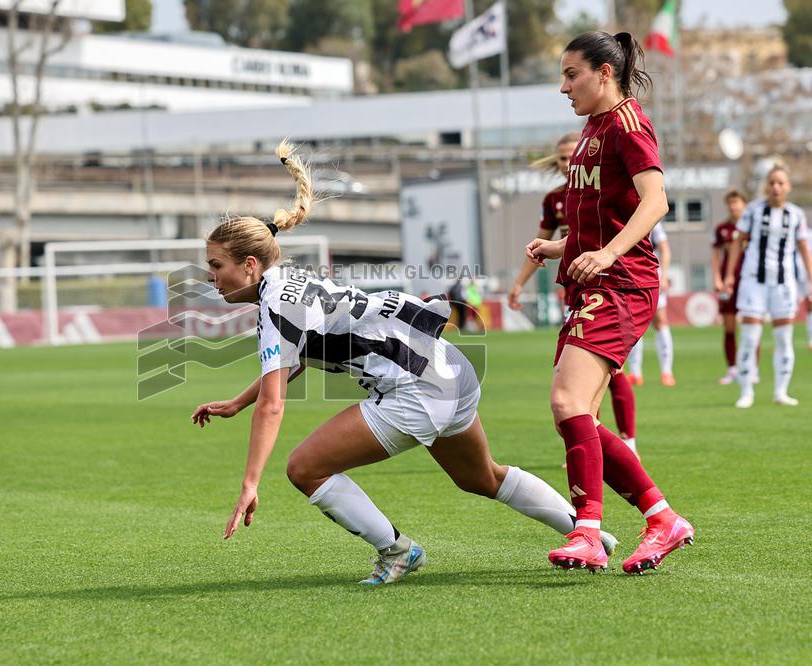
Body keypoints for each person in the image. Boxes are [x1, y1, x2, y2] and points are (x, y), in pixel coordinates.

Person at [192, 139, 617, 586]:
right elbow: (293, 363)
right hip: (450, 369)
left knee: (305, 469)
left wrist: (249, 484)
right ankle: (588, 533)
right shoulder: (290, 283)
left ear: (251, 264)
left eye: (216, 265)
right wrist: (239, 402)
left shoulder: (276, 305)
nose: (210, 276)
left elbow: (275, 404)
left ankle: (397, 551)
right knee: (483, 477)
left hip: (416, 389)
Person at [525, 31, 693, 574]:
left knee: (567, 403)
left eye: (571, 74)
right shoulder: (594, 128)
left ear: (604, 73)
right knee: (578, 415)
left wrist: (608, 254)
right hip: (596, 281)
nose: (562, 86)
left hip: (621, 284)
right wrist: (562, 247)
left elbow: (656, 200)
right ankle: (661, 518)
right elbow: (599, 219)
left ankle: (589, 532)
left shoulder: (628, 124)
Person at [509, 132, 638, 454]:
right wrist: (518, 283)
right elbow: (540, 245)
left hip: (610, 286)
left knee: (612, 371)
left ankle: (627, 443)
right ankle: (591, 445)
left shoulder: (602, 189)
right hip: (574, 289)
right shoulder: (554, 199)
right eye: (563, 159)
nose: (568, 164)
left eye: (572, 157)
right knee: (572, 381)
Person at [724, 165, 812, 407]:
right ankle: (746, 392)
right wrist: (731, 275)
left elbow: (804, 250)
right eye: (772, 182)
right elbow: (737, 243)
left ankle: (781, 392)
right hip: (754, 281)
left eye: (781, 183)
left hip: (784, 283)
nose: (776, 187)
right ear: (766, 185)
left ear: (788, 187)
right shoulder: (753, 210)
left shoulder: (795, 215)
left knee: (784, 338)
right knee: (750, 337)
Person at [625, 221, 675, 386]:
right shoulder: (623, 215)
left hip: (651, 274)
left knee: (660, 322)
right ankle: (635, 373)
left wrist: (664, 274)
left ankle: (667, 372)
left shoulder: (652, 219)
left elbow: (665, 249)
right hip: (629, 275)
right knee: (632, 325)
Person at [711, 190, 748, 383]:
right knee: (729, 326)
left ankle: (751, 369)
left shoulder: (752, 227)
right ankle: (732, 369)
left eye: (737, 202)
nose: (733, 206)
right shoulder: (721, 229)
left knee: (751, 325)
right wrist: (717, 278)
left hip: (749, 281)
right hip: (728, 283)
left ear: (744, 204)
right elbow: (715, 255)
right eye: (730, 203)